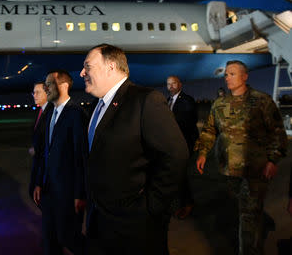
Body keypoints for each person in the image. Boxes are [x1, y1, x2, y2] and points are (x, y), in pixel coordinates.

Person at [80, 44, 188, 255]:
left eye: (88, 66)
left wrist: (150, 207)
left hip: (135, 229)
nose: (83, 72)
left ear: (110, 67)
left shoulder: (146, 100)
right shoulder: (96, 107)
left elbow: (176, 156)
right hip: (100, 223)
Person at [195, 60, 288, 255]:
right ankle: (255, 233)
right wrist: (203, 152)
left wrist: (273, 159)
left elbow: (277, 133)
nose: (227, 77)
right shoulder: (220, 104)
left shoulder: (261, 101)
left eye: (232, 74)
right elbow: (210, 130)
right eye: (226, 74)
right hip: (229, 169)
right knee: (247, 212)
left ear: (245, 76)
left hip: (256, 169)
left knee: (248, 216)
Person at [33, 70, 87, 255]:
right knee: (50, 239)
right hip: (49, 191)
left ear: (64, 86)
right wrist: (39, 182)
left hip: (67, 192)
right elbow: (44, 153)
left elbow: (80, 156)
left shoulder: (76, 114)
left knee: (68, 237)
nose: (45, 87)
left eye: (49, 83)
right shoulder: (49, 114)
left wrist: (80, 193)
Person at [166, 75, 199, 219]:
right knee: (175, 174)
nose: (171, 86)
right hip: (173, 144)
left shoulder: (187, 100)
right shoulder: (168, 101)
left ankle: (187, 204)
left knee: (182, 175)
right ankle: (180, 201)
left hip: (184, 143)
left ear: (180, 84)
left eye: (173, 83)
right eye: (168, 84)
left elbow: (186, 121)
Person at [28, 82, 53, 201]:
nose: (34, 95)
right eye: (33, 92)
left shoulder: (50, 112)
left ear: (47, 94)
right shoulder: (41, 111)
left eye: (38, 92)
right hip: (39, 163)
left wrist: (36, 149)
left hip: (45, 165)